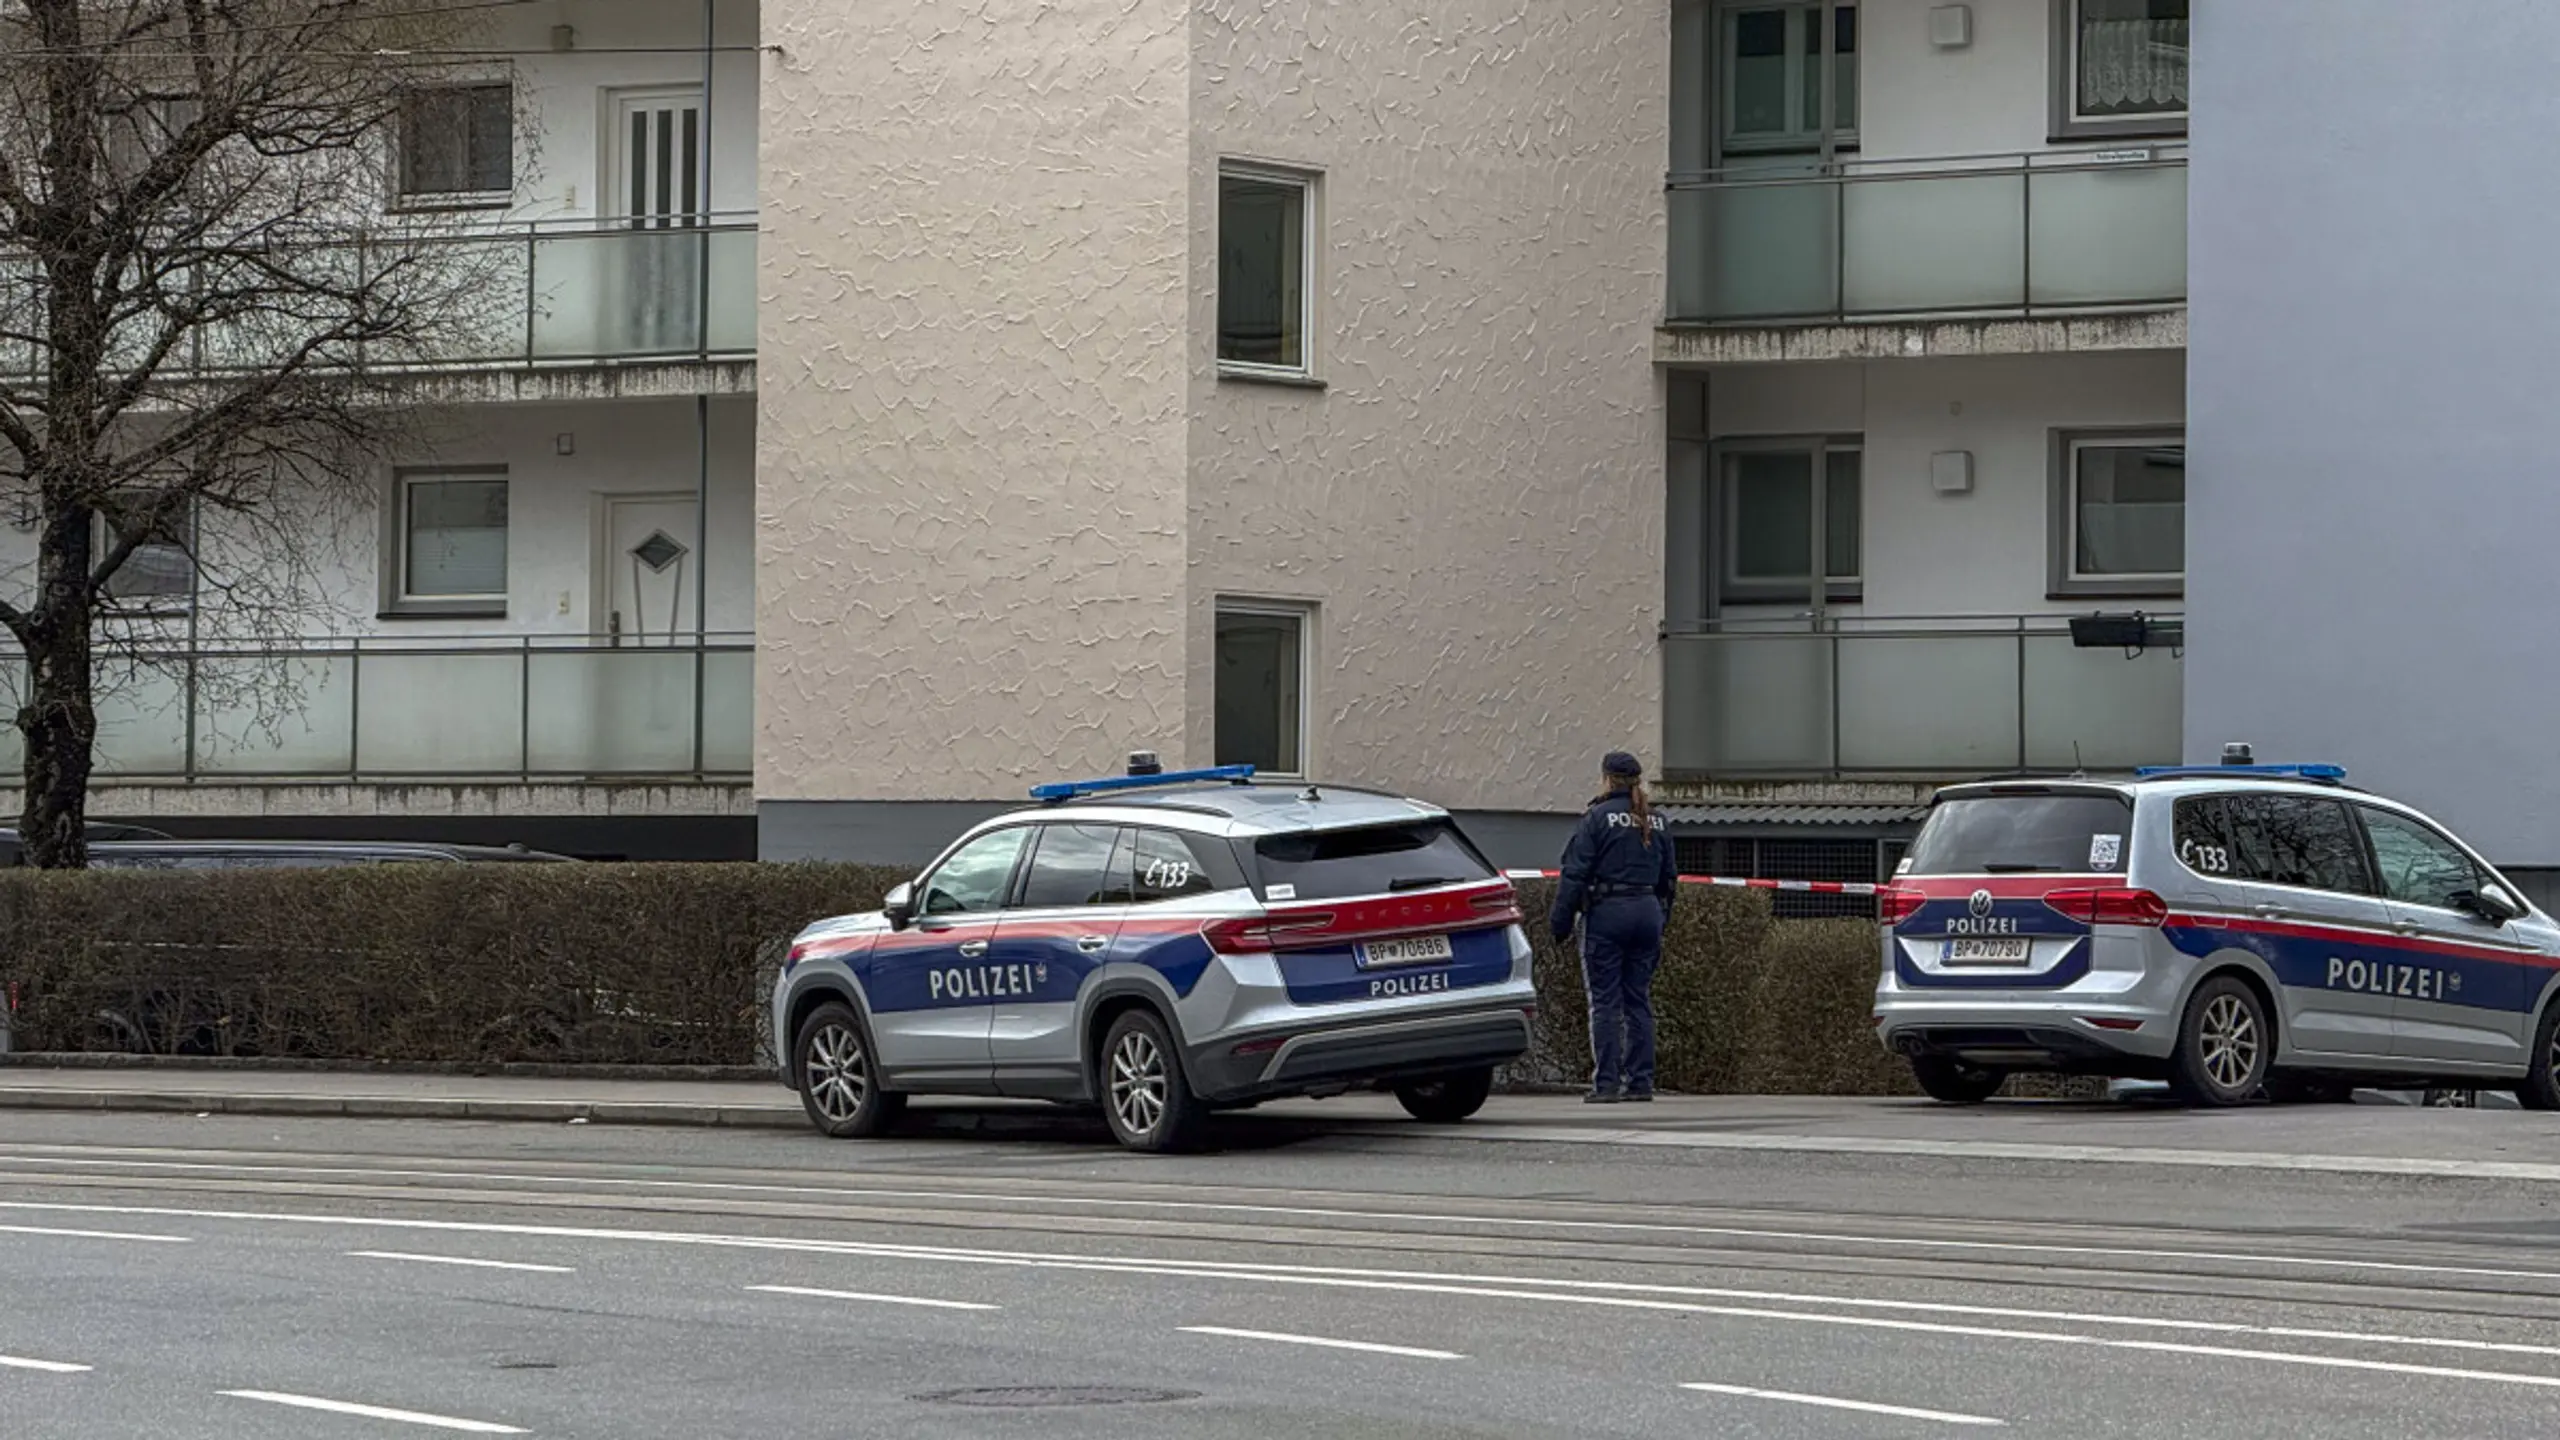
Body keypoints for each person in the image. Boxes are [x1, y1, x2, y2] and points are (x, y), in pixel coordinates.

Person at [1548, 751, 1678, 1104]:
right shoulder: (1657, 820)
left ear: (1607, 778)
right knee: (1638, 1000)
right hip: (1647, 912)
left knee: (1605, 1002)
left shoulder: (1597, 818)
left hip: (1607, 914)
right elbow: (1669, 880)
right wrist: (1660, 919)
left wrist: (1560, 923)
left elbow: (1575, 874)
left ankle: (1606, 1084)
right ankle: (1641, 1083)